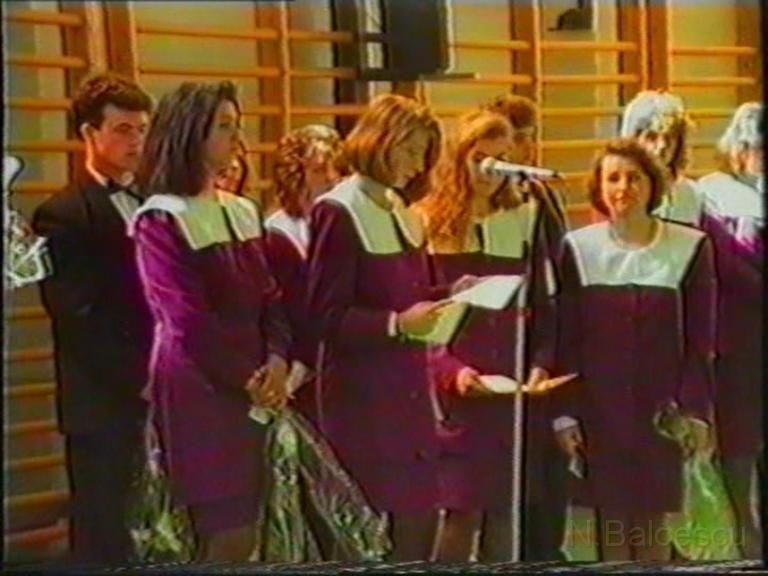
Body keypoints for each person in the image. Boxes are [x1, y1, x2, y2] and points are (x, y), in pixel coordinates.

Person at [130, 81, 290, 561]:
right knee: (225, 529)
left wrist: (278, 360)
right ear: (189, 133)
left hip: (257, 382)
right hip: (201, 386)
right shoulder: (161, 218)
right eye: (223, 126)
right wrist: (246, 378)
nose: (236, 137)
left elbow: (271, 298)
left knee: (253, 526)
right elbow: (185, 318)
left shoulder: (242, 210)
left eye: (236, 125)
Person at [552, 139, 716, 561]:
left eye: (633, 178)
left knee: (651, 526)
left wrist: (696, 410)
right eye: (613, 178)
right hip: (599, 413)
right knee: (611, 526)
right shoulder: (578, 248)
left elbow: (701, 341)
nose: (623, 188)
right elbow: (565, 340)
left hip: (662, 414)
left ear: (651, 185)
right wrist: (564, 413)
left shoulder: (689, 246)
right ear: (599, 187)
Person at [305, 94, 449, 561]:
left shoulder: (403, 212)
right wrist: (395, 324)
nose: (417, 165)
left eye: (423, 154)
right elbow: (325, 315)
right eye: (410, 150)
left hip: (409, 393)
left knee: (422, 521)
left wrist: (453, 294)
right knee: (362, 534)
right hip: (363, 399)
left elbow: (410, 294)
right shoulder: (338, 210)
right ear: (381, 142)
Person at [415, 109, 560, 561]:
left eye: (499, 160)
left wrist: (540, 363)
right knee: (461, 514)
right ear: (458, 157)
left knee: (505, 515)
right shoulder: (426, 221)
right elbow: (420, 317)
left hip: (509, 393)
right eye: (479, 158)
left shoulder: (524, 216)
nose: (488, 172)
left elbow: (545, 306)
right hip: (453, 396)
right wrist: (453, 372)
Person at [31, 73, 154, 563]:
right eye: (123, 130)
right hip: (103, 402)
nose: (136, 142)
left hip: (164, 395)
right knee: (105, 529)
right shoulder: (61, 213)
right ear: (89, 133)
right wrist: (141, 378)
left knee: (160, 531)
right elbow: (77, 318)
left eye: (142, 130)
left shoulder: (157, 203)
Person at [482, 93, 570, 561]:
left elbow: (554, 278)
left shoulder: (541, 195)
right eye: (516, 138)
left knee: (545, 483)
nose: (524, 148)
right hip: (494, 356)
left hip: (540, 346)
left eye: (529, 137)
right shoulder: (479, 204)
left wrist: (546, 353)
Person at [696, 102, 763, 558]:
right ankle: (746, 543)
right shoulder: (713, 194)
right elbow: (726, 266)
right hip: (738, 342)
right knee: (739, 449)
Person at [264, 124, 347, 423]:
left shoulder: (343, 223)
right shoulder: (279, 232)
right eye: (319, 170)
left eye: (336, 170)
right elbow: (287, 311)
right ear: (295, 175)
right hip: (299, 371)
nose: (331, 179)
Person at [621, 90, 703, 227]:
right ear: (633, 140)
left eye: (669, 137)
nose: (662, 145)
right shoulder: (619, 192)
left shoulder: (690, 194)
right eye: (651, 137)